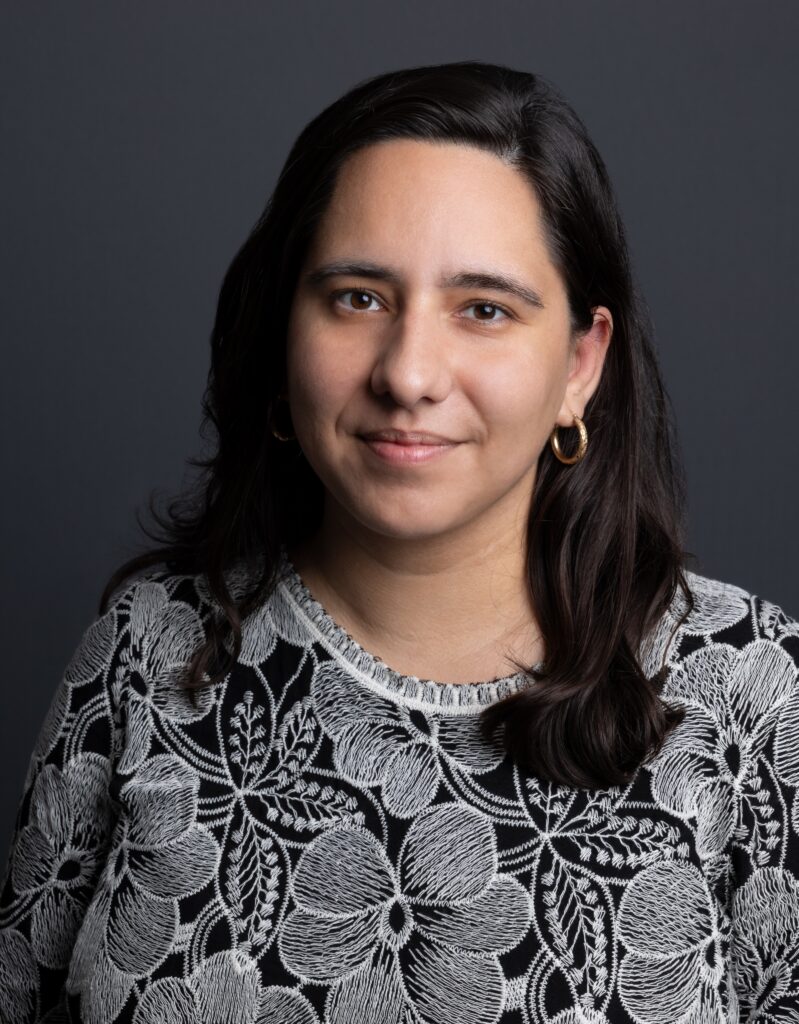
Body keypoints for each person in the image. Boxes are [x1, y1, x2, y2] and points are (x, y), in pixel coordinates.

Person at [1, 59, 797, 1024]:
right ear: (284, 327)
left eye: (484, 310)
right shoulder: (149, 651)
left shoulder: (749, 694)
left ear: (579, 365)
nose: (409, 373)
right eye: (358, 298)